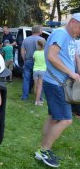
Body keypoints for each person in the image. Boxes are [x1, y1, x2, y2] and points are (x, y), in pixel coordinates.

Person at [35, 13, 80, 168]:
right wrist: (70, 72)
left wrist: (76, 72)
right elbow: (52, 57)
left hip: (58, 82)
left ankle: (42, 148)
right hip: (57, 83)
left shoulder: (71, 37)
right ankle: (45, 150)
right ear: (74, 22)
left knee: (54, 117)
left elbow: (72, 58)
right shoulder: (61, 34)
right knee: (66, 119)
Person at [20, 25, 45, 100]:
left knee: (26, 79)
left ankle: (24, 96)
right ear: (39, 31)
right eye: (41, 29)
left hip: (28, 61)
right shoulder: (42, 40)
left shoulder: (26, 39)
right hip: (39, 63)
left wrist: (25, 60)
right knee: (40, 80)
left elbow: (22, 51)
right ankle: (39, 97)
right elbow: (45, 52)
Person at [33, 39, 46, 106]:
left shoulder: (35, 52)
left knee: (35, 86)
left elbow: (34, 60)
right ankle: (37, 101)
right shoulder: (46, 53)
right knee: (40, 87)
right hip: (42, 71)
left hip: (35, 70)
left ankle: (37, 99)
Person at [73, 39, 80, 118]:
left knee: (74, 89)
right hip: (77, 69)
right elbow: (78, 58)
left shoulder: (75, 41)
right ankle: (78, 113)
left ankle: (74, 109)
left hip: (73, 69)